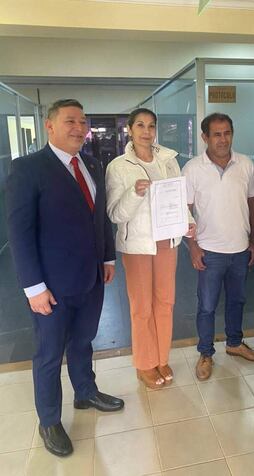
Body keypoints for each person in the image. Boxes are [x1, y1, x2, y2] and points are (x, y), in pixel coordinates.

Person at [6, 99, 124, 458]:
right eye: (70, 121)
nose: (79, 128)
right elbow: (20, 233)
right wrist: (33, 288)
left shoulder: (92, 164)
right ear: (50, 126)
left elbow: (100, 218)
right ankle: (49, 421)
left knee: (83, 341)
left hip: (91, 278)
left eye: (82, 122)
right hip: (51, 286)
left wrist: (107, 257)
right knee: (48, 354)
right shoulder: (28, 169)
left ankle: (85, 392)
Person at [106, 108, 195, 390]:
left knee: (165, 302)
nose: (147, 131)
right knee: (141, 306)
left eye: (151, 126)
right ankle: (145, 363)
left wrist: (189, 222)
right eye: (140, 125)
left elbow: (179, 200)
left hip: (167, 242)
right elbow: (115, 214)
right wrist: (135, 193)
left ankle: (161, 357)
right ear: (129, 130)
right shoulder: (118, 167)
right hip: (138, 246)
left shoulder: (168, 161)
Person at [182, 113, 254, 381]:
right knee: (207, 306)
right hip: (209, 251)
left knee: (237, 301)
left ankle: (234, 343)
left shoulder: (245, 165)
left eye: (227, 133)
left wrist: (253, 242)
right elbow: (185, 211)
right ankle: (206, 353)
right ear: (204, 137)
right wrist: (193, 247)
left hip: (239, 249)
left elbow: (253, 203)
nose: (223, 139)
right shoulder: (192, 169)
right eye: (216, 134)